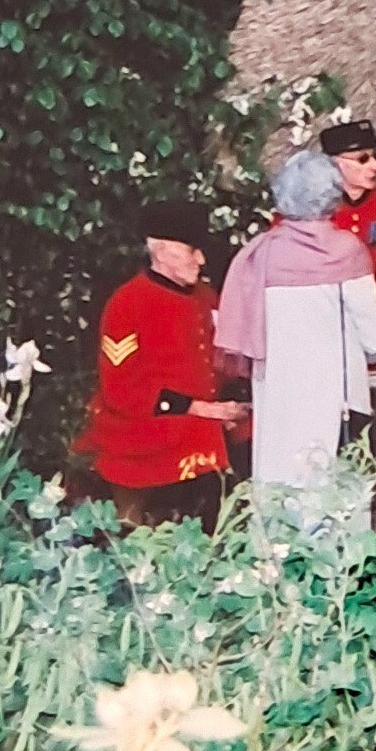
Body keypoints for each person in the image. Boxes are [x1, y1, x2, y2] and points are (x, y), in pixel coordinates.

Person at [218, 150, 376, 487]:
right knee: (334, 499)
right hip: (336, 402)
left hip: (277, 398)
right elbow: (374, 339)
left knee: (281, 492)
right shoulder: (346, 251)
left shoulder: (259, 254)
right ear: (332, 195)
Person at [73, 200, 243, 528]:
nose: (202, 259)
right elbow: (121, 392)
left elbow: (221, 361)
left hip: (206, 420)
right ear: (162, 251)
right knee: (204, 441)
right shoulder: (127, 304)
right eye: (192, 250)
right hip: (145, 424)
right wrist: (198, 409)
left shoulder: (205, 296)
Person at [321, 118, 376, 306]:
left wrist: (372, 308)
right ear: (336, 163)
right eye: (363, 159)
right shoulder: (315, 211)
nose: (375, 166)